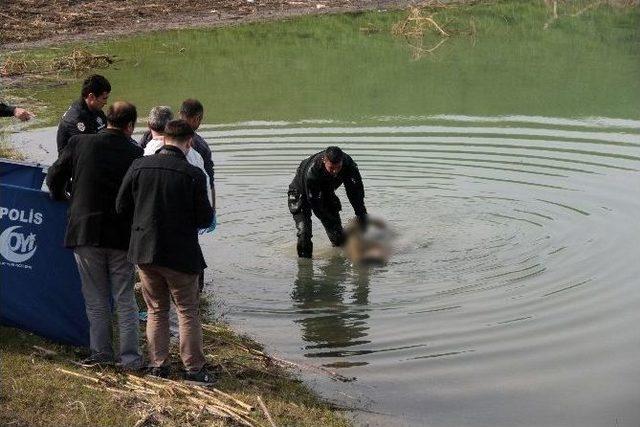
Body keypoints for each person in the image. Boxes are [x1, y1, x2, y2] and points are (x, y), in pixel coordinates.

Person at [116, 119, 215, 383]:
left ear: (160, 139)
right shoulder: (193, 174)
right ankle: (193, 369)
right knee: (186, 310)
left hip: (145, 252)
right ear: (189, 142)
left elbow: (121, 206)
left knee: (156, 309)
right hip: (181, 255)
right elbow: (205, 218)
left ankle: (158, 366)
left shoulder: (138, 166)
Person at [46, 101, 143, 369]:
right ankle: (131, 359)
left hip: (86, 231)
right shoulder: (136, 153)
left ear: (106, 119)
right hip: (122, 237)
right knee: (124, 299)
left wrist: (62, 196)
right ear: (130, 126)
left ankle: (101, 354)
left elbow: (54, 175)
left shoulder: (79, 143)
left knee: (96, 298)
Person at [288, 146, 368, 258]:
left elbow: (355, 191)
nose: (335, 172)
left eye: (338, 167)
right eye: (331, 168)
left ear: (342, 161)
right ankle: (305, 267)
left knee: (339, 239)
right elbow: (314, 203)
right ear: (324, 161)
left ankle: (339, 265)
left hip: (325, 193)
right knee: (304, 233)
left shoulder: (348, 164)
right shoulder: (312, 171)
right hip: (300, 194)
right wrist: (329, 220)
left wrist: (361, 214)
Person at [143, 106, 212, 205]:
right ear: (172, 125)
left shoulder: (142, 155)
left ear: (149, 125)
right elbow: (207, 184)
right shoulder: (195, 152)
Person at [56, 74, 110, 155]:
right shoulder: (76, 119)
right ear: (91, 96)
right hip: (75, 164)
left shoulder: (96, 110)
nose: (106, 103)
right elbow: (89, 151)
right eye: (104, 98)